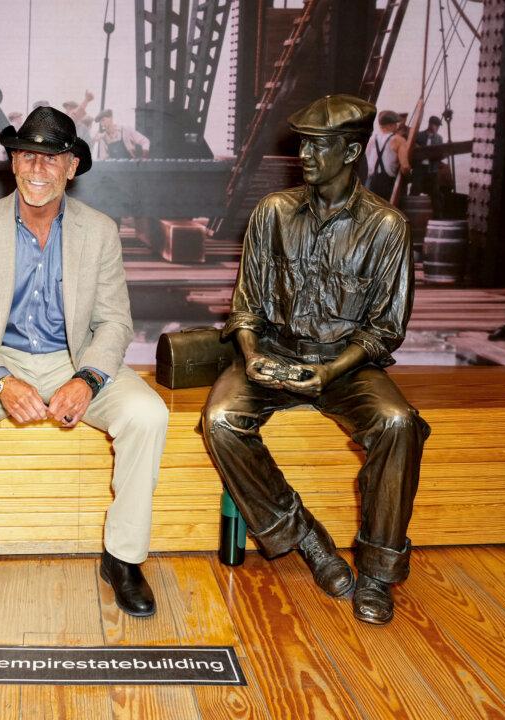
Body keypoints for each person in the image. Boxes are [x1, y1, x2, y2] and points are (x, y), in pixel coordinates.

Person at [0, 107, 168, 619]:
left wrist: (89, 379)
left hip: (73, 357)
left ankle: (122, 558)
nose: (38, 168)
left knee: (149, 414)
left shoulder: (99, 231)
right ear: (12, 162)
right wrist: (1, 381)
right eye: (27, 155)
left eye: (51, 158)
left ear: (71, 167)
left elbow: (116, 323)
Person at [202, 95, 429, 625]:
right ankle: (306, 539)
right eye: (302, 142)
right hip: (275, 354)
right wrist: (253, 357)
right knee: (220, 420)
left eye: (318, 145)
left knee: (398, 423)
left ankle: (377, 570)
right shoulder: (272, 213)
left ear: (350, 150)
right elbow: (246, 307)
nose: (304, 154)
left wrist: (329, 371)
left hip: (347, 367)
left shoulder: (386, 227)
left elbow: (384, 330)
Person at [364, 110, 410, 201]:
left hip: (370, 183)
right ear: (390, 125)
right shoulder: (398, 140)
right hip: (386, 184)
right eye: (395, 124)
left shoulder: (370, 140)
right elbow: (404, 166)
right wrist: (409, 175)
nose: (397, 126)